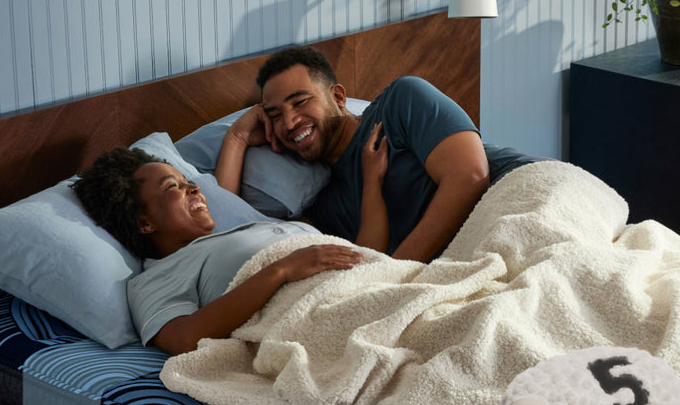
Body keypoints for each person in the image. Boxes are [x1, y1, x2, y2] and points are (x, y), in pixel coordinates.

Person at [217, 45, 536, 264]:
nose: (288, 122)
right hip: (474, 260)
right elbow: (228, 233)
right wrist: (238, 136)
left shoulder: (400, 102)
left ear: (338, 97)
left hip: (523, 199)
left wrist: (396, 275)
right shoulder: (324, 209)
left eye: (300, 102)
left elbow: (470, 177)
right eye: (274, 114)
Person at [71, 147, 361, 355]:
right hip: (329, 320)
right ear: (144, 222)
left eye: (190, 183)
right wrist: (281, 270)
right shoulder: (154, 279)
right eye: (174, 187)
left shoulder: (246, 229)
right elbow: (184, 339)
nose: (194, 190)